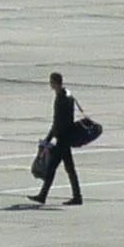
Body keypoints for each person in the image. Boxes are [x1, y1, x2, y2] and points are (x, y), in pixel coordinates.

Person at [29, 72, 82, 206]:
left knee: (52, 168)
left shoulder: (61, 99)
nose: (50, 85)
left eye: (51, 82)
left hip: (63, 138)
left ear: (55, 83)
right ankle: (77, 196)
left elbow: (58, 121)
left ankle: (43, 195)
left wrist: (49, 138)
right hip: (65, 137)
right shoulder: (67, 96)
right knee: (69, 168)